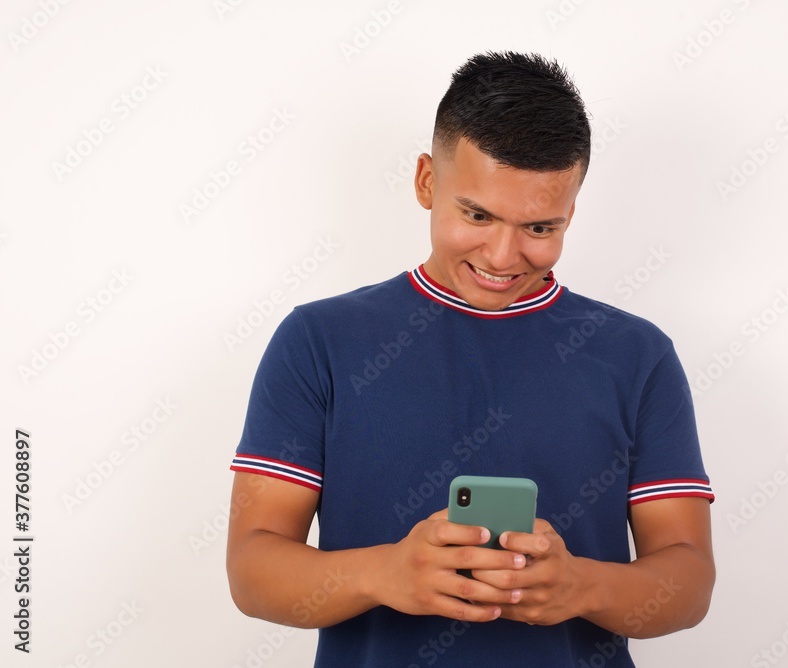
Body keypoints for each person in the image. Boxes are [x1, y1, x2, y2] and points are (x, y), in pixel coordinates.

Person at [226, 51, 715, 668]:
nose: (503, 255)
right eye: (478, 215)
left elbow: (689, 582)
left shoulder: (637, 356)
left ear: (570, 212)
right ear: (427, 181)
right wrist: (386, 574)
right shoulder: (318, 341)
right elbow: (252, 569)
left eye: (540, 228)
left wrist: (581, 586)